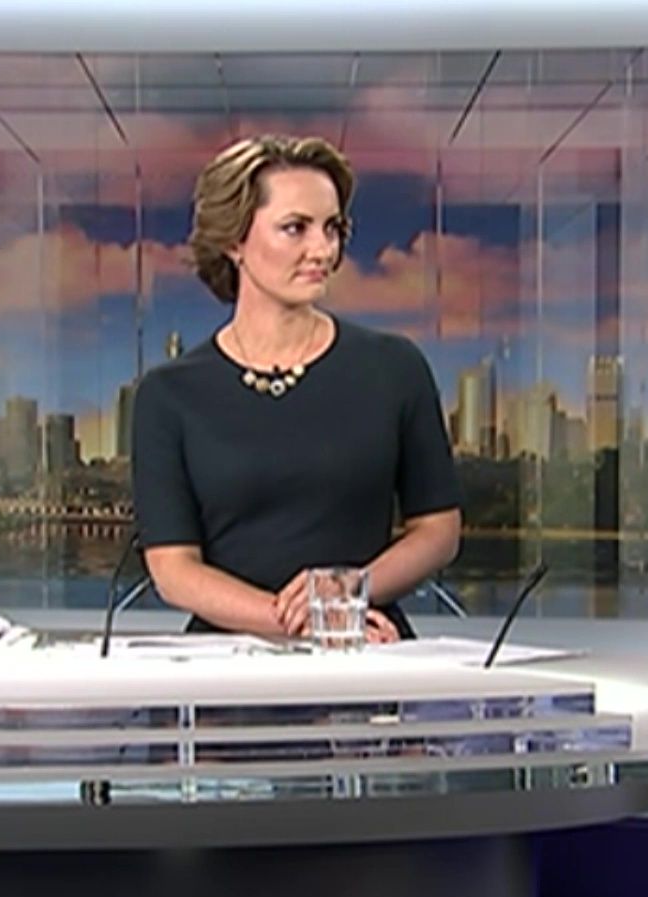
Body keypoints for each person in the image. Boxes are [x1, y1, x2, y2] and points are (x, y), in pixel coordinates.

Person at [131, 134, 462, 641]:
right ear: (234, 242)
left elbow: (438, 531)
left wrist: (347, 595)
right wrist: (304, 621)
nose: (323, 249)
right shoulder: (168, 394)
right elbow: (174, 569)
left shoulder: (394, 367)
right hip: (230, 662)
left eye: (333, 228)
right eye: (295, 228)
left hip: (365, 647)